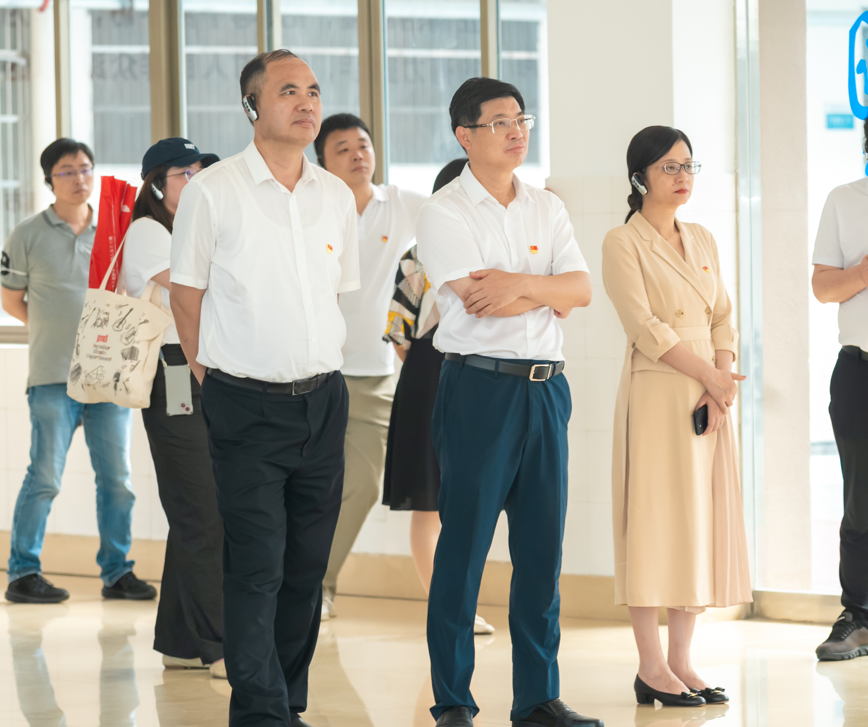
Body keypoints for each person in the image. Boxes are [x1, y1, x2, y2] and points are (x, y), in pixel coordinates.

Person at [170, 49, 359, 727]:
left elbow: (333, 294)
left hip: (324, 401)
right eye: (288, 91)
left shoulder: (335, 196)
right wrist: (214, 378)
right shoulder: (213, 191)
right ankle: (260, 714)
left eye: (313, 90)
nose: (307, 103)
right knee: (257, 566)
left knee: (306, 568)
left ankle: (287, 703)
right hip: (244, 404)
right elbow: (185, 298)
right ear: (252, 106)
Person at [416, 77, 598, 727]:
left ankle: (538, 697)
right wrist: (546, 290)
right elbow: (477, 301)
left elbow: (581, 289)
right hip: (479, 390)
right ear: (465, 136)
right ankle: (453, 700)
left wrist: (522, 284)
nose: (517, 131)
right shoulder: (445, 211)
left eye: (521, 119)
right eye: (500, 122)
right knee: (463, 550)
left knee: (542, 552)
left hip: (547, 390)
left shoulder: (546, 207)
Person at [601, 126, 752, 708]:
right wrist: (711, 377)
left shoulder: (703, 238)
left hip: (708, 393)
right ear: (640, 176)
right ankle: (651, 666)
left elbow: (723, 318)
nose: (683, 176)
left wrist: (720, 381)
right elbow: (645, 327)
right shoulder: (623, 241)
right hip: (659, 391)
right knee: (653, 523)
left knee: (697, 523)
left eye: (688, 165)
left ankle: (683, 661)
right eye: (669, 166)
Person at [1, 139, 154, 605]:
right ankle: (23, 572)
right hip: (51, 375)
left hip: (107, 377)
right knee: (44, 477)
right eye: (66, 171)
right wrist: (57, 331)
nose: (79, 178)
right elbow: (11, 300)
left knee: (118, 482)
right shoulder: (27, 234)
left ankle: (117, 572)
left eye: (85, 168)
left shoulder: (116, 231)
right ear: (50, 180)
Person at [313, 113, 427, 621]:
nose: (357, 154)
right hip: (313, 372)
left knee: (361, 486)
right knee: (307, 487)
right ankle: (291, 585)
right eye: (342, 148)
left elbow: (457, 213)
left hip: (374, 375)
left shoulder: (400, 204)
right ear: (322, 162)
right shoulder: (314, 209)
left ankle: (319, 585)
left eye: (363, 144)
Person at [122, 137, 226, 678]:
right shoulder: (149, 231)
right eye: (185, 173)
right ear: (157, 184)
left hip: (205, 371)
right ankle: (219, 645)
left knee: (197, 510)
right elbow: (195, 292)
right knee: (202, 511)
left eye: (200, 170)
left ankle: (181, 642)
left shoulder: (196, 229)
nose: (196, 178)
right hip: (174, 373)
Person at [383, 157, 494, 636]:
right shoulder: (417, 255)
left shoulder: (498, 251)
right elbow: (400, 333)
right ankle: (446, 607)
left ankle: (459, 605)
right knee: (429, 499)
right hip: (429, 377)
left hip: (483, 377)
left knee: (469, 500)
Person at [811, 117, 868, 662]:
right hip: (860, 369)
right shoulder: (844, 200)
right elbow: (823, 286)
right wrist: (865, 271)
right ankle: (859, 615)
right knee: (860, 501)